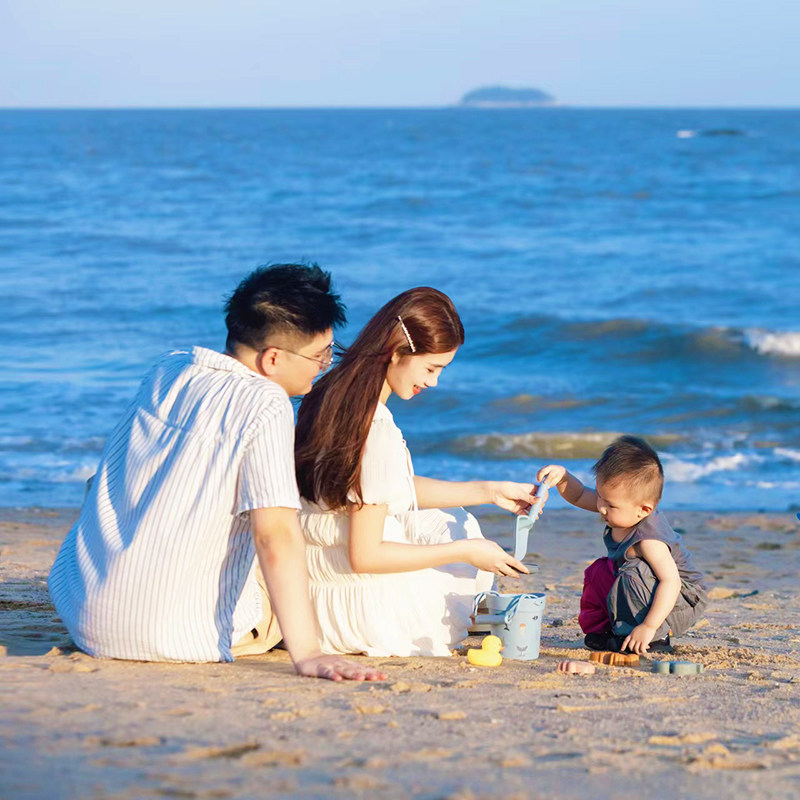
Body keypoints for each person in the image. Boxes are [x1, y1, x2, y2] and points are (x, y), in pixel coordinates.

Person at [48, 264, 385, 682]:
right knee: (308, 570)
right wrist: (309, 654)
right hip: (173, 637)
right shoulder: (267, 403)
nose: (324, 365)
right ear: (273, 358)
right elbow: (274, 535)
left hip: (84, 609)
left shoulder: (170, 368)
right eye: (321, 355)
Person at [294, 286, 540, 657]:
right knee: (460, 534)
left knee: (446, 519)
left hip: (312, 591)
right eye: (431, 368)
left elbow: (380, 488)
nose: (434, 382)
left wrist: (489, 491)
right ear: (396, 352)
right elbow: (366, 556)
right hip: (361, 612)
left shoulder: (330, 394)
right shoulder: (375, 429)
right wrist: (466, 551)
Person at [538, 435, 708, 655]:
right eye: (600, 496)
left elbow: (671, 582)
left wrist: (649, 626)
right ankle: (607, 631)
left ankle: (655, 639)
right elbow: (579, 495)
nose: (601, 508)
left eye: (609, 505)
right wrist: (563, 477)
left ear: (643, 510)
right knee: (599, 571)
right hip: (646, 587)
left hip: (681, 601)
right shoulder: (621, 507)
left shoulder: (649, 540)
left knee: (633, 572)